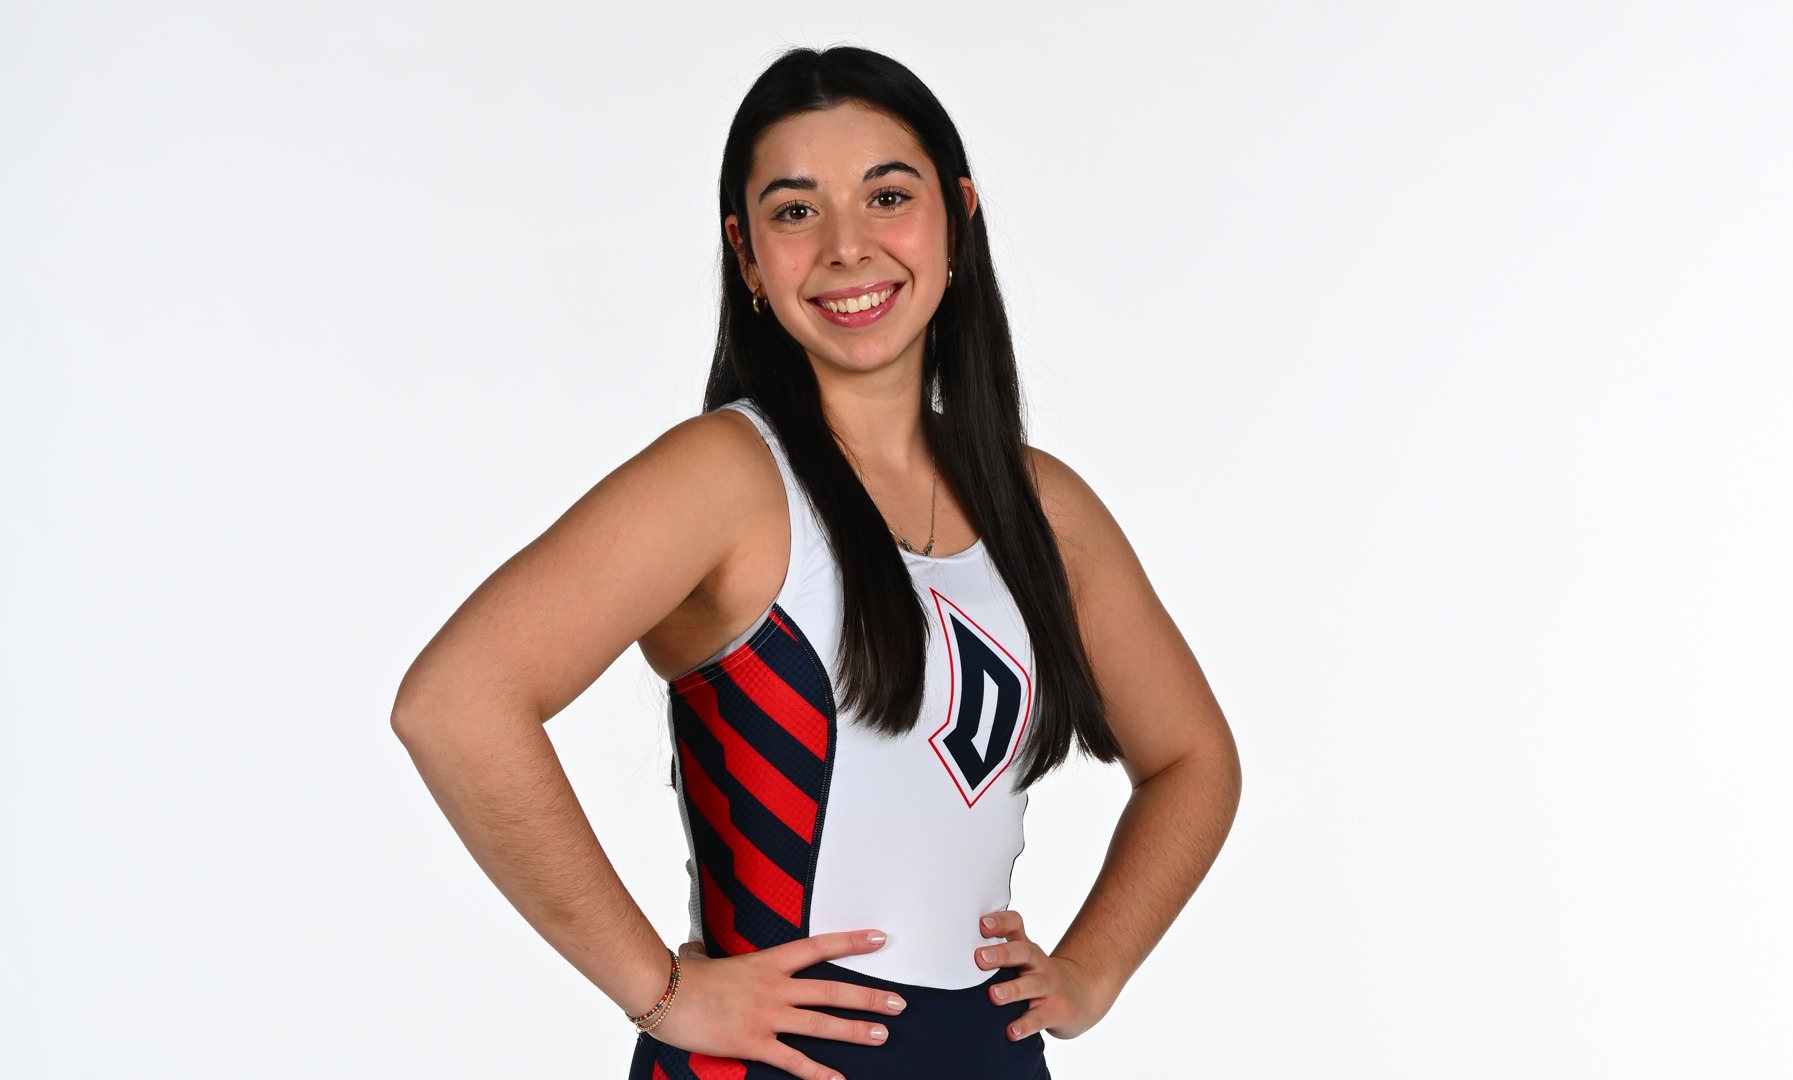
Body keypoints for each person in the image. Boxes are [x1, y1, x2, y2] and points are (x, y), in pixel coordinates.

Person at [392, 45, 1239, 1080]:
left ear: (959, 217)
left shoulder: (1043, 507)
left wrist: (1092, 974)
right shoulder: (726, 477)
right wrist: (659, 989)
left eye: (888, 196)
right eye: (796, 212)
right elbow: (456, 703)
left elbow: (1195, 762)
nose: (848, 247)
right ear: (746, 256)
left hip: (988, 1060)